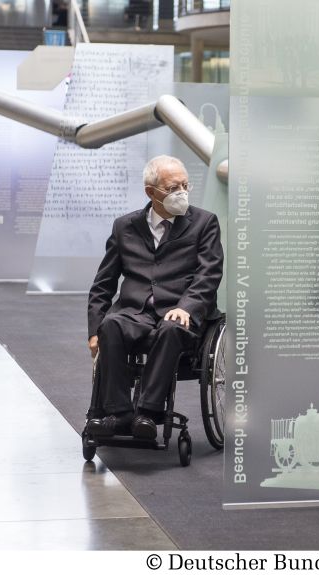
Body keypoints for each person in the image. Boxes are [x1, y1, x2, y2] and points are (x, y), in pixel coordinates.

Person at [86, 155, 223, 439]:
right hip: (135, 312)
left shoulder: (204, 223)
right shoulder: (125, 226)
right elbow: (104, 283)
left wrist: (187, 306)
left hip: (179, 310)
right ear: (151, 192)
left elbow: (209, 274)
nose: (182, 193)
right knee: (110, 325)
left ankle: (147, 413)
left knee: (172, 328)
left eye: (186, 185)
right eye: (174, 188)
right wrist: (93, 330)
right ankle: (119, 413)